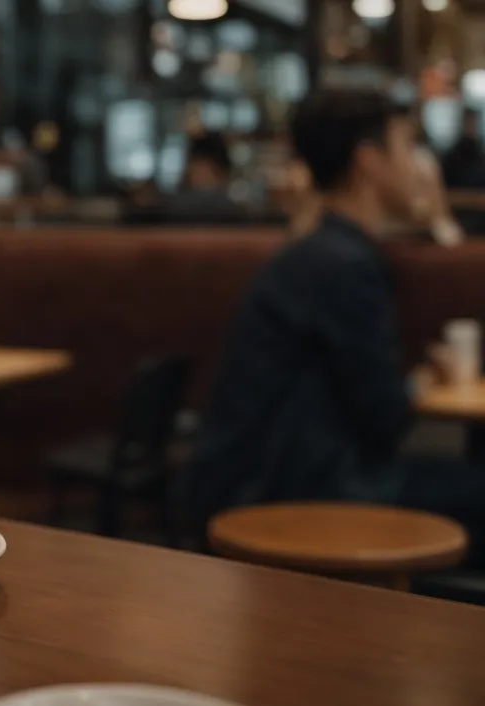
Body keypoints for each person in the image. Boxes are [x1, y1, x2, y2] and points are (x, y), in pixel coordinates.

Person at [190, 89, 485, 554]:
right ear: (369, 160)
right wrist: (425, 382)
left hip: (275, 477)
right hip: (296, 494)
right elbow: (384, 420)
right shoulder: (345, 265)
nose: (417, 166)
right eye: (407, 147)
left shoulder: (323, 251)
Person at [164, 132, 247, 224]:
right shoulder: (172, 210)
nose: (201, 174)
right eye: (198, 166)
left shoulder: (232, 212)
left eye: (205, 168)